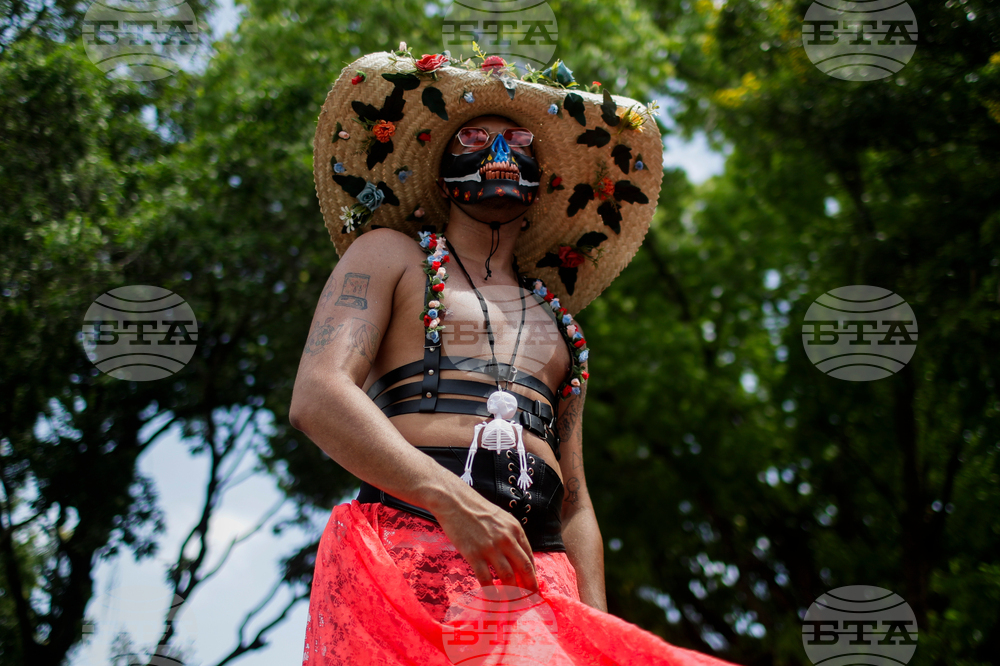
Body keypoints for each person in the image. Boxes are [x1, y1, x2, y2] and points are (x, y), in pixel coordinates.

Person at [292, 47, 740, 665]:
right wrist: (454, 502)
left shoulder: (561, 324)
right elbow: (319, 395)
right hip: (408, 550)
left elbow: (577, 501)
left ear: (545, 177)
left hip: (538, 576)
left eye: (519, 142)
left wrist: (595, 631)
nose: (500, 155)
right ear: (442, 162)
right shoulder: (391, 257)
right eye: (476, 136)